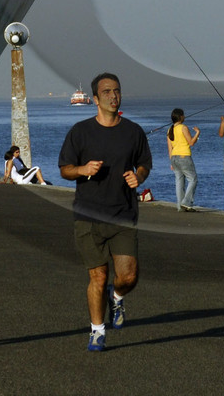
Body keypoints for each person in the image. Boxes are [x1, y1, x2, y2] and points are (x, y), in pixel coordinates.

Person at [58, 72, 151, 353]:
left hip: (123, 214)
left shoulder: (133, 131)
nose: (113, 95)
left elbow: (144, 164)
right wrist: (83, 170)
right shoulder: (80, 131)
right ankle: (97, 331)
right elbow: (64, 169)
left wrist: (139, 176)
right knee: (97, 276)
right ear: (95, 99)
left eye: (117, 90)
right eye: (107, 92)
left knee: (129, 276)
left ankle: (118, 295)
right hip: (88, 216)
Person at [166, 108, 200, 211]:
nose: (184, 116)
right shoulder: (183, 128)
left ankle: (180, 206)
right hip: (184, 156)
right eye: (183, 115)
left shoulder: (169, 130)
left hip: (174, 158)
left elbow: (170, 148)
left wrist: (171, 161)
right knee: (193, 179)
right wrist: (197, 133)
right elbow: (191, 142)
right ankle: (186, 202)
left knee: (179, 182)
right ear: (180, 117)